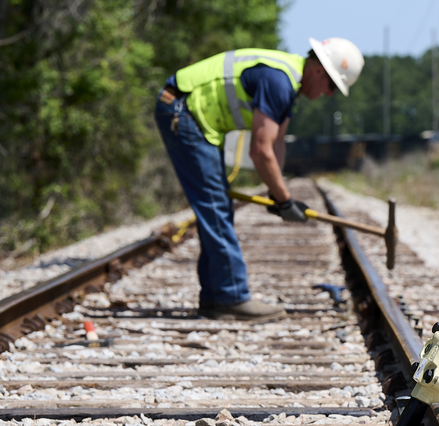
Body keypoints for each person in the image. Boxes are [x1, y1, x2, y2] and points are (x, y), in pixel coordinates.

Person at [154, 38, 364, 321]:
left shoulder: (289, 84)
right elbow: (260, 151)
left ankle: (216, 296)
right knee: (215, 206)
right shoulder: (279, 82)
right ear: (318, 71)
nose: (328, 94)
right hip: (182, 109)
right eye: (332, 86)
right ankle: (230, 297)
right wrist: (285, 200)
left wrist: (278, 192)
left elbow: (276, 143)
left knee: (217, 207)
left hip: (194, 118)